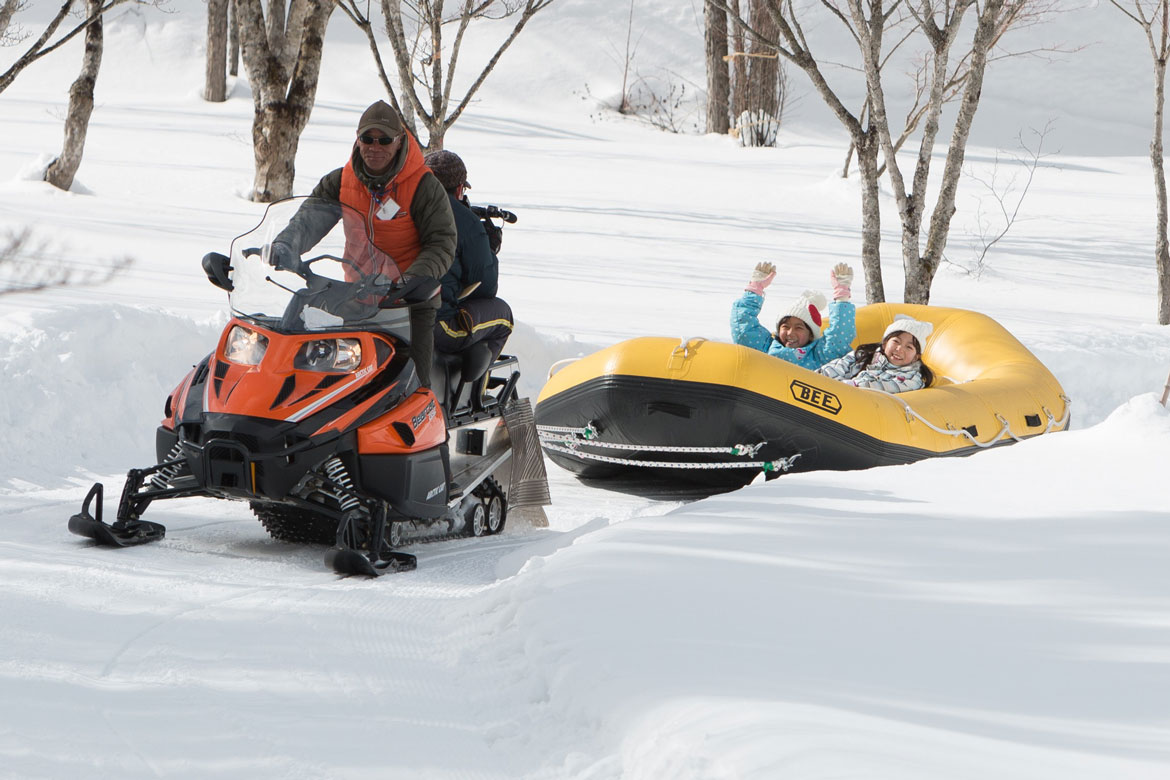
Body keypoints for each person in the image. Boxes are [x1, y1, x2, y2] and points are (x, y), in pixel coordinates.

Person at [269, 100, 456, 388]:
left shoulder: (422, 185)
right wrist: (285, 246)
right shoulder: (341, 181)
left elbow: (442, 242)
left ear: (399, 142)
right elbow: (309, 220)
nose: (375, 147)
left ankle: (426, 425)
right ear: (358, 140)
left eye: (384, 140)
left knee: (412, 386)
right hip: (355, 293)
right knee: (316, 369)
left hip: (408, 301)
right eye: (367, 139)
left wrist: (413, 280)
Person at [422, 149, 514, 365]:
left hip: (386, 318)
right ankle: (467, 388)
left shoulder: (401, 206)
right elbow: (485, 286)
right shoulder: (464, 220)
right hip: (435, 326)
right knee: (503, 315)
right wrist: (487, 250)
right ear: (459, 189)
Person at [730, 261, 857, 370]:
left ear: (810, 334)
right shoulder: (766, 347)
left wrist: (842, 297)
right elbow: (743, 326)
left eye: (799, 328)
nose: (790, 333)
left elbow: (840, 335)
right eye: (785, 326)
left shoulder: (819, 355)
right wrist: (755, 288)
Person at [817, 317, 935, 393]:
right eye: (896, 341)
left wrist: (855, 385)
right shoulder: (865, 355)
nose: (899, 349)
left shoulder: (912, 378)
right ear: (884, 344)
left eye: (909, 347)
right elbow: (839, 367)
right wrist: (815, 378)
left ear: (916, 357)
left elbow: (887, 387)